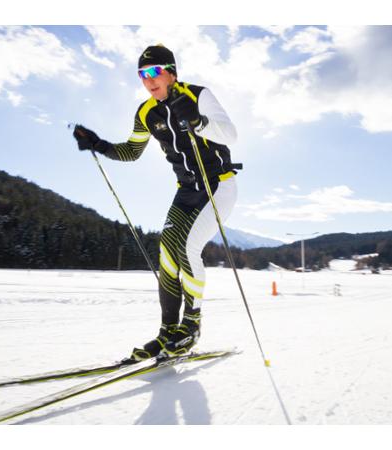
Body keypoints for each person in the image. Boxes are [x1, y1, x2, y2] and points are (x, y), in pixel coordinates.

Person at [73, 44, 240, 360]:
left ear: (172, 73)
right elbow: (132, 152)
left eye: (154, 72)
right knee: (167, 252)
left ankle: (190, 328)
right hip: (187, 190)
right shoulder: (146, 112)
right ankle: (167, 333)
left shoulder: (198, 95)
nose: (148, 80)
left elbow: (231, 135)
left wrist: (200, 122)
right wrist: (98, 144)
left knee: (187, 248)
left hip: (219, 185)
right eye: (141, 74)